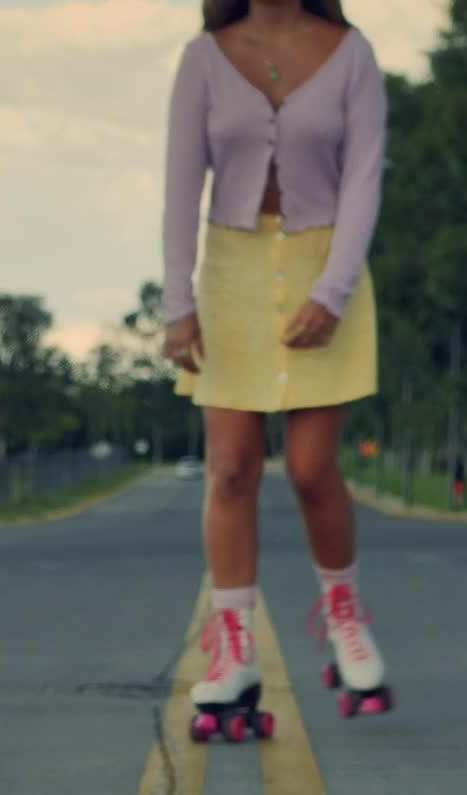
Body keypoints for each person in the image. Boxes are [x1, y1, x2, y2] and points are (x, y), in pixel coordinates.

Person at [162, 0, 393, 724]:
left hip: (327, 268)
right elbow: (179, 185)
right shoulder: (204, 57)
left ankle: (344, 618)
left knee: (310, 470)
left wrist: (334, 291)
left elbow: (362, 181)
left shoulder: (351, 53)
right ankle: (234, 652)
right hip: (231, 272)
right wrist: (177, 301)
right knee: (230, 467)